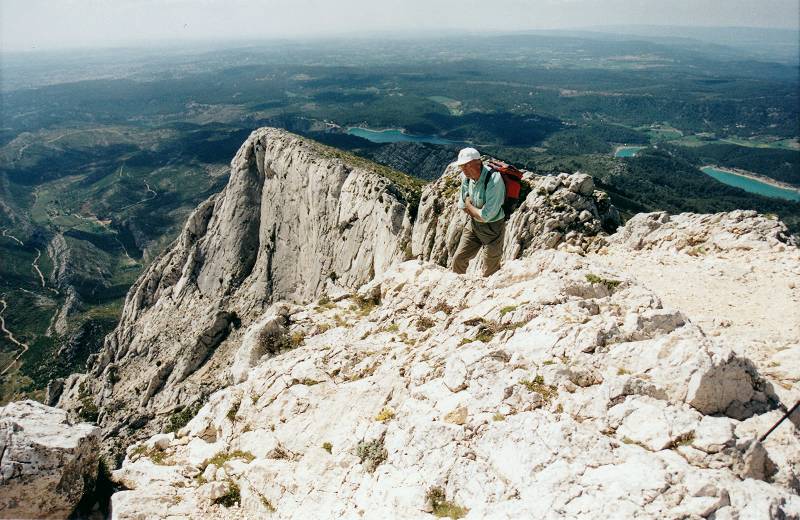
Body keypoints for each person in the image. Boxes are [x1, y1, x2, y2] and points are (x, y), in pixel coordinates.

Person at [451, 147, 506, 277]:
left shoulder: (494, 180)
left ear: (478, 163)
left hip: (494, 229)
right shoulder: (467, 179)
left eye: (467, 166)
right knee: (458, 259)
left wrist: (469, 204)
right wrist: (475, 211)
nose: (464, 170)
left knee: (490, 271)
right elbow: (462, 206)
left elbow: (485, 216)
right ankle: (458, 288)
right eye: (462, 167)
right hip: (474, 226)